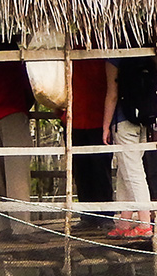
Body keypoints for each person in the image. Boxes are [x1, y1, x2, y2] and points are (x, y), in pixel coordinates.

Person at [0, 42, 35, 239]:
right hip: (13, 115)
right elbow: (31, 95)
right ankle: (22, 227)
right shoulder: (20, 69)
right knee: (17, 174)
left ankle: (2, 227)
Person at [103, 56, 157, 239]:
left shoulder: (114, 59)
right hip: (143, 121)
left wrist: (105, 125)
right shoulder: (146, 55)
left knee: (133, 173)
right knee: (125, 171)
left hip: (123, 121)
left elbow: (112, 94)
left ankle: (144, 223)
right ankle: (124, 222)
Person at [61, 58, 115, 230]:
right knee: (81, 169)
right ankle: (88, 215)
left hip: (98, 119)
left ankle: (105, 215)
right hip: (75, 119)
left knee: (100, 168)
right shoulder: (68, 56)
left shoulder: (103, 53)